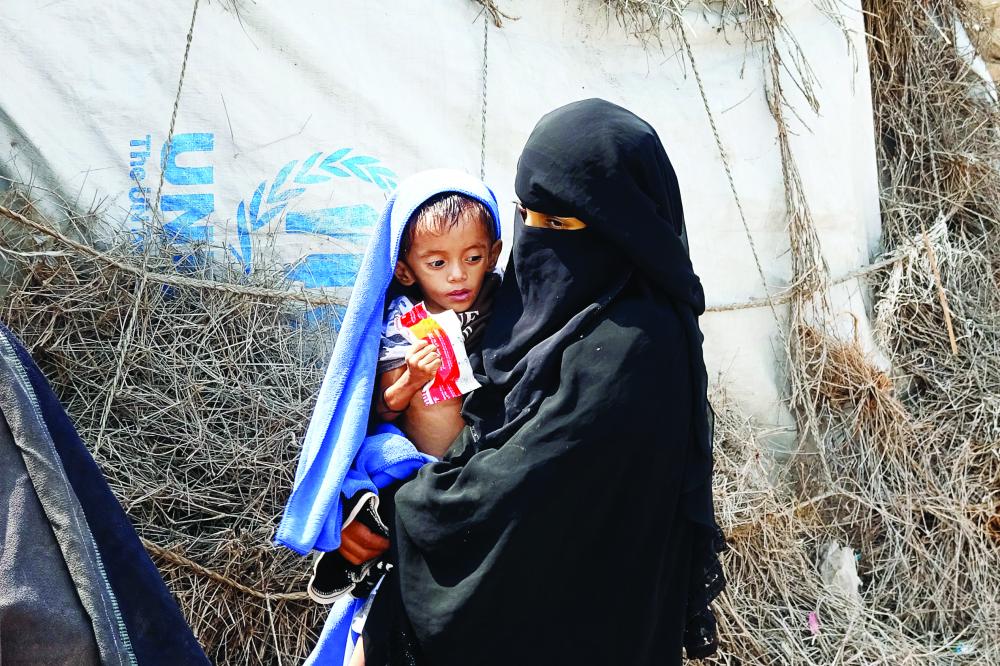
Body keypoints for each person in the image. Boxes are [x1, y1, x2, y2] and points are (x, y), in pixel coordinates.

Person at [351, 98, 726, 665]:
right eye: (525, 214)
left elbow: (511, 492)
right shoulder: (525, 313)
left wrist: (392, 509)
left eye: (557, 224)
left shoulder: (634, 347)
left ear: (617, 227)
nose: (534, 238)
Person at [308, 188, 503, 605]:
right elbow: (381, 408)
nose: (457, 275)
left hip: (479, 475)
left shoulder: (506, 314)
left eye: (473, 258)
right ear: (405, 270)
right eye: (438, 263)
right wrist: (412, 380)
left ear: (494, 253)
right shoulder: (404, 326)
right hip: (419, 474)